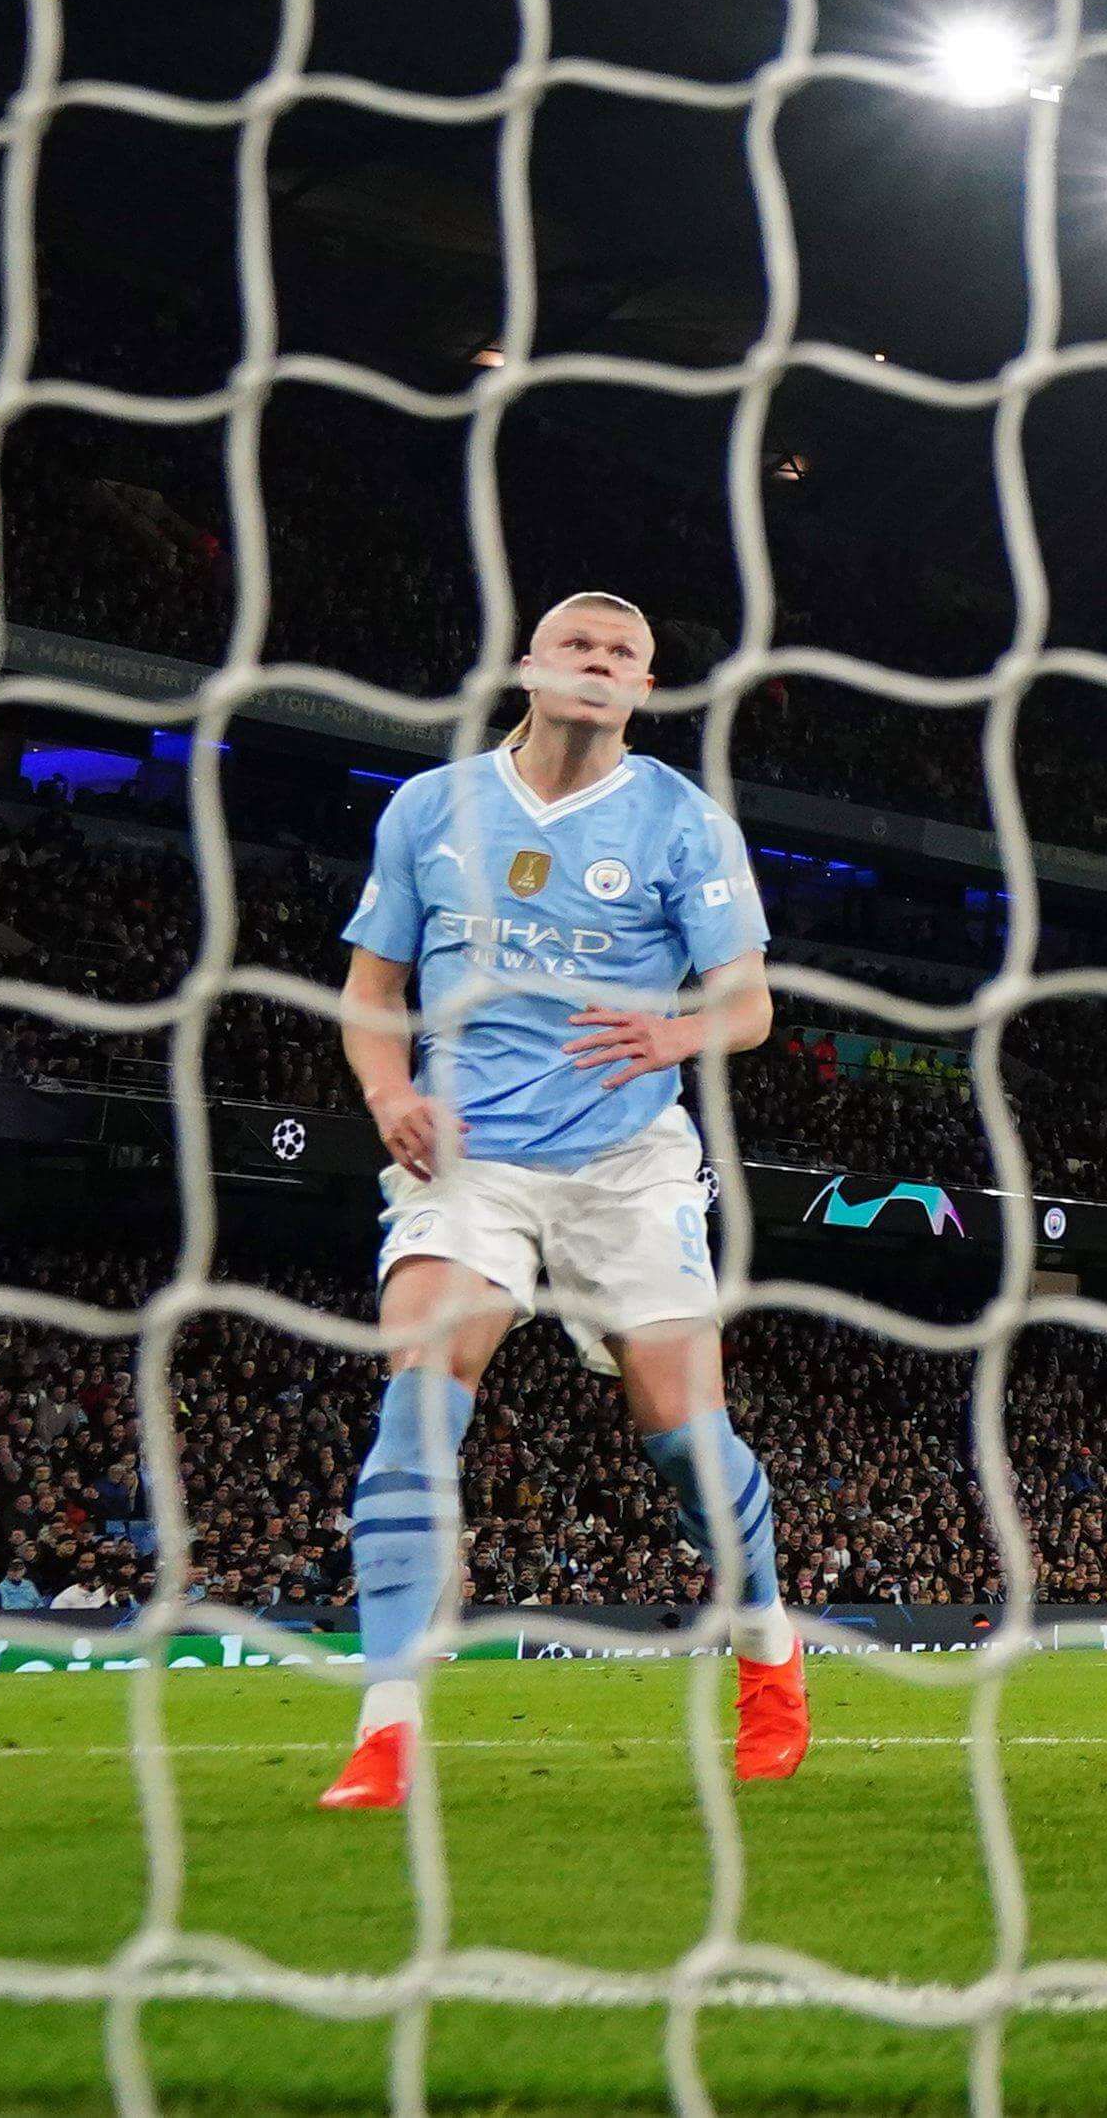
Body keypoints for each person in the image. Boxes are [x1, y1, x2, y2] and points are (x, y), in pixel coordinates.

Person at [323, 593, 799, 1808]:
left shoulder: (684, 825)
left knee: (686, 1438)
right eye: (579, 646)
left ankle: (767, 1651)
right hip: (468, 1156)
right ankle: (386, 1727)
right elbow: (372, 987)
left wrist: (675, 1029)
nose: (600, 663)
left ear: (645, 688)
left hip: (625, 1161)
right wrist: (387, 1093)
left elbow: (748, 1005)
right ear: (531, 666)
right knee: (419, 1397)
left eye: (625, 654)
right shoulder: (430, 809)